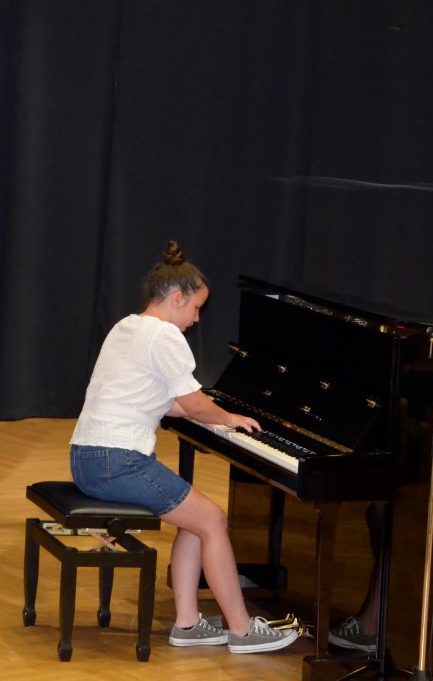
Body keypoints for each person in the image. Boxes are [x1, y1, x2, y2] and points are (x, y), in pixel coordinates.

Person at [70, 240, 299, 654]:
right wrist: (227, 418)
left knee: (196, 518)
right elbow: (193, 404)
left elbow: (166, 402)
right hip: (119, 462)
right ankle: (243, 630)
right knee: (213, 520)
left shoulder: (127, 326)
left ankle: (189, 624)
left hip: (88, 458)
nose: (195, 319)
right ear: (176, 298)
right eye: (196, 308)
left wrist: (212, 415)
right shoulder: (164, 336)